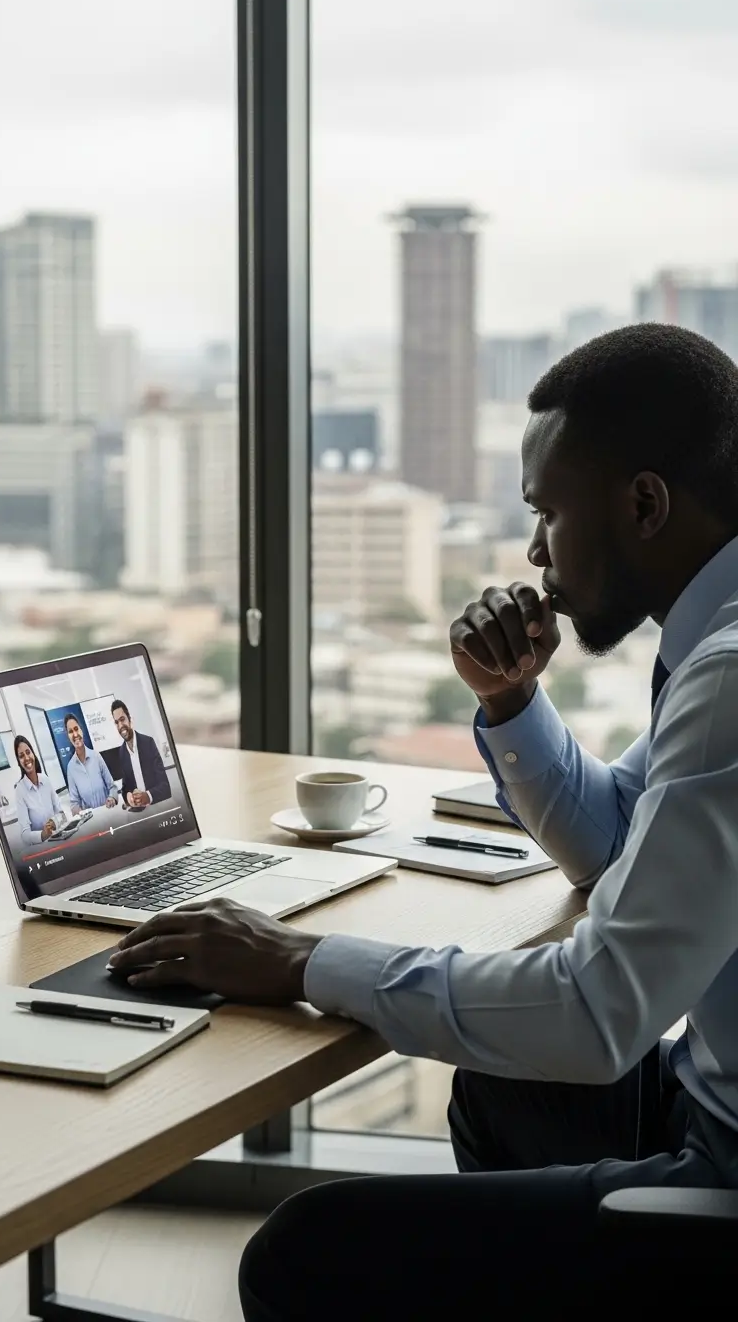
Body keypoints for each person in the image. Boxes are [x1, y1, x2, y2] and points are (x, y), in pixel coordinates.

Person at [110, 323, 738, 1314]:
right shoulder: (717, 644)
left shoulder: (730, 677)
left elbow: (598, 1011)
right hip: (710, 1098)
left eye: (548, 511)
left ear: (644, 504)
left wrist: (299, 960)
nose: (535, 550)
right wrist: (510, 701)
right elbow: (618, 843)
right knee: (503, 1085)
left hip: (727, 1171)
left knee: (304, 1254)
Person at [111, 699, 171, 808]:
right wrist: (128, 796)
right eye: (116, 722)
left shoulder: (148, 743)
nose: (120, 726)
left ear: (130, 719)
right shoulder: (122, 752)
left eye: (122, 719)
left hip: (158, 807)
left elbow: (165, 787)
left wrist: (147, 796)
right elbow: (125, 788)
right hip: (139, 812)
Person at [14, 735, 63, 848]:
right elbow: (24, 835)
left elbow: (61, 813)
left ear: (33, 754)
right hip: (41, 848)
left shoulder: (45, 780)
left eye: (28, 752)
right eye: (21, 756)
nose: (26, 758)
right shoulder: (20, 790)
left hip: (58, 840)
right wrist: (42, 835)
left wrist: (55, 822)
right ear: (19, 762)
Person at [64, 713, 117, 814]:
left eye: (76, 729)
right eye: (70, 732)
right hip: (92, 819)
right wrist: (80, 813)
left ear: (81, 730)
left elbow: (112, 787)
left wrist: (111, 798)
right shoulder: (70, 768)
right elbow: (74, 803)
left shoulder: (96, 756)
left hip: (109, 813)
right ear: (68, 737)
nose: (75, 734)